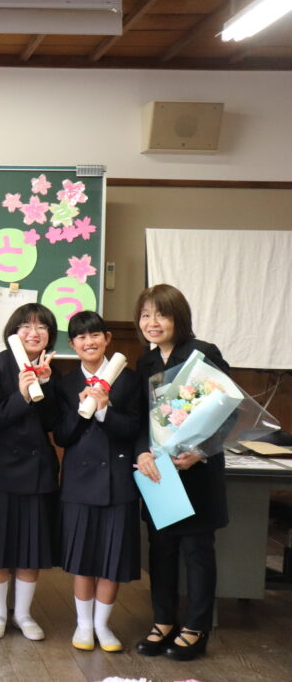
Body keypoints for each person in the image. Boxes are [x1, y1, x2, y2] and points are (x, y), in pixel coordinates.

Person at [133, 284, 229, 662]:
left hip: (197, 472)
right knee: (162, 549)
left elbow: (227, 412)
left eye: (161, 314)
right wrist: (142, 451)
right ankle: (163, 621)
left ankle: (196, 628)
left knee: (196, 551)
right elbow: (141, 418)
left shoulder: (202, 353)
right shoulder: (146, 362)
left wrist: (199, 451)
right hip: (161, 473)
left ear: (179, 318)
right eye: (145, 315)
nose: (152, 322)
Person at [0, 302, 58, 641]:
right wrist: (21, 395)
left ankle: (24, 614)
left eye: (42, 327)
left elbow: (53, 424)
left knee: (31, 548)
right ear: (13, 332)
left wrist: (44, 387)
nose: (34, 333)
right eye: (26, 326)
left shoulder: (51, 368)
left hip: (36, 471)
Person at [53, 311, 143, 653]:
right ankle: (84, 624)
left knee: (112, 559)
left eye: (95, 335)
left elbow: (134, 429)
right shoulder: (65, 384)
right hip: (79, 482)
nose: (88, 342)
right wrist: (84, 410)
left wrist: (105, 410)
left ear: (107, 339)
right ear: (72, 344)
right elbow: (62, 436)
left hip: (118, 482)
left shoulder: (130, 380)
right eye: (81, 337)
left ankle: (103, 626)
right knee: (83, 558)